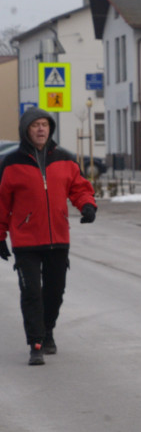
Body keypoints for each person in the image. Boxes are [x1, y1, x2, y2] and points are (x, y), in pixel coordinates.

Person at [0, 107, 97, 366]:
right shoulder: (11, 163)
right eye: (36, 125)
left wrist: (87, 205)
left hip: (58, 238)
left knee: (55, 291)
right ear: (26, 130)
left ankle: (48, 330)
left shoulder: (64, 158)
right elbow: (1, 202)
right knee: (31, 292)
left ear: (50, 129)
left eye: (45, 124)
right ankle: (36, 343)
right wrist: (0, 236)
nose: (41, 129)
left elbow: (79, 188)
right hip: (26, 241)